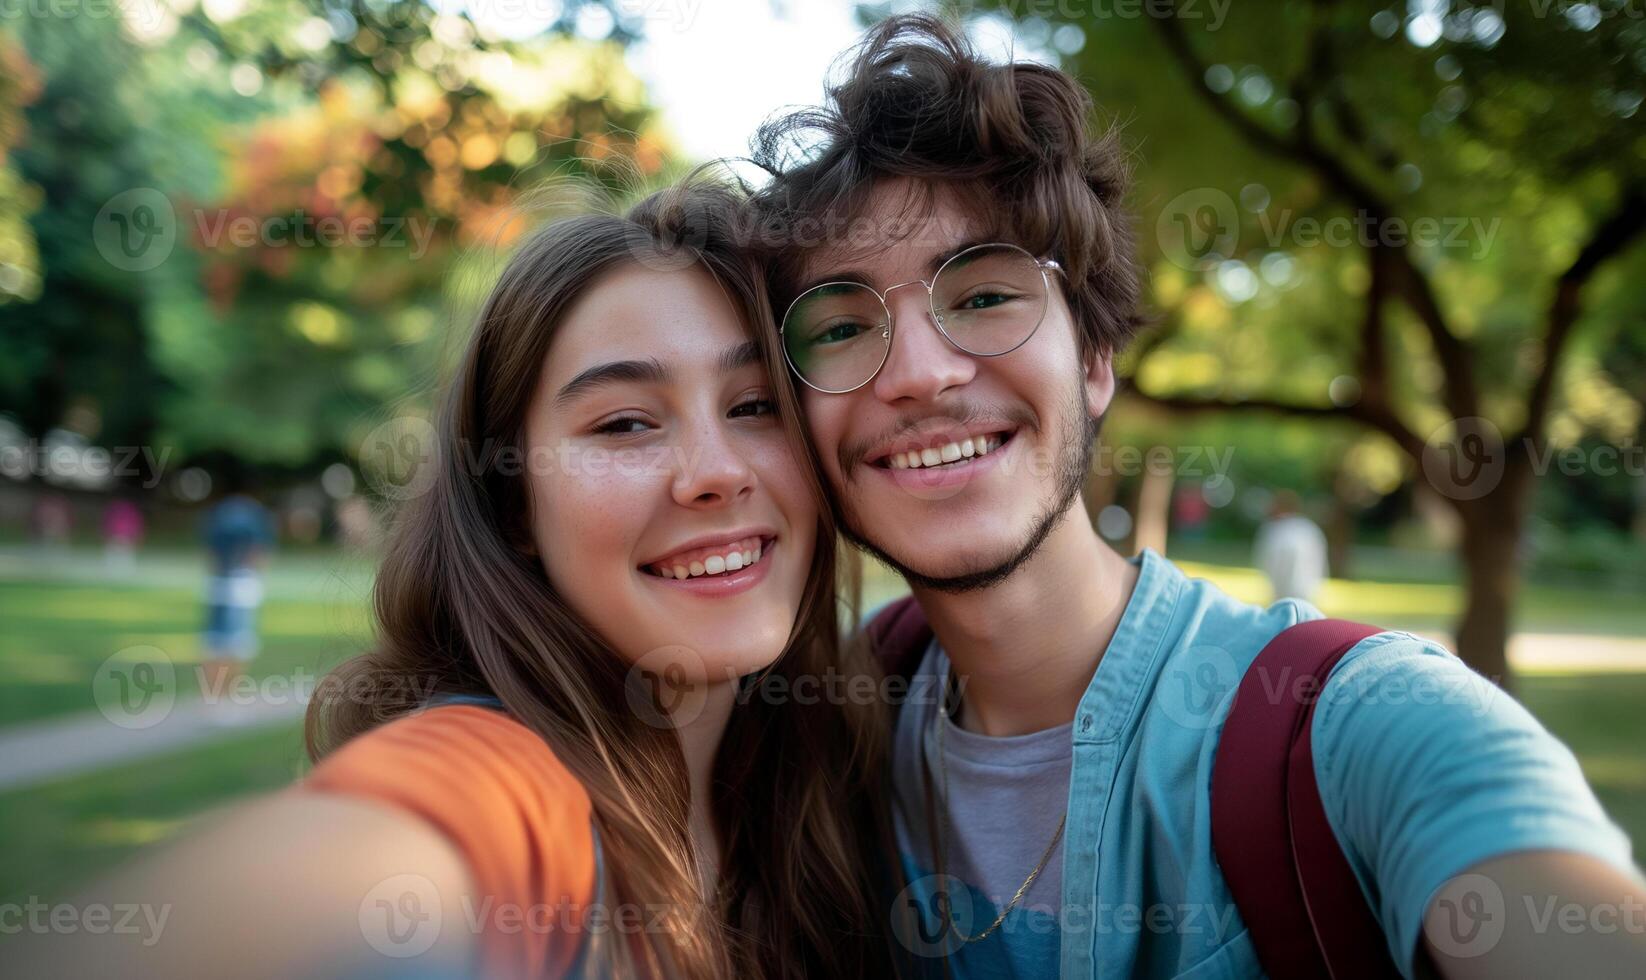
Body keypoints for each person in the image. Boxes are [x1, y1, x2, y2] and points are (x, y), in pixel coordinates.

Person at [750, 15, 1643, 979]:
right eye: (841, 326)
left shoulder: (1351, 726)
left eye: (983, 296)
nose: (920, 374)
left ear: (1094, 360)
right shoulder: (817, 734)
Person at [11, 182, 891, 979]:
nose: (715, 470)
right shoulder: (499, 780)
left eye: (754, 406)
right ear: (514, 506)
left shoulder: (845, 787)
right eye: (624, 423)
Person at [197, 472, 275, 722]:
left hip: (218, 581)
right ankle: (228, 701)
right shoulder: (254, 514)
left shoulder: (217, 512)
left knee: (214, 644)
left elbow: (208, 552)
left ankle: (211, 701)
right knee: (237, 646)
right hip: (242, 582)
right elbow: (259, 552)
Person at [1253, 489, 1328, 603]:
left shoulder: (1274, 529)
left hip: (1288, 587)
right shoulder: (1309, 528)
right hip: (1307, 587)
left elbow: (1268, 561)